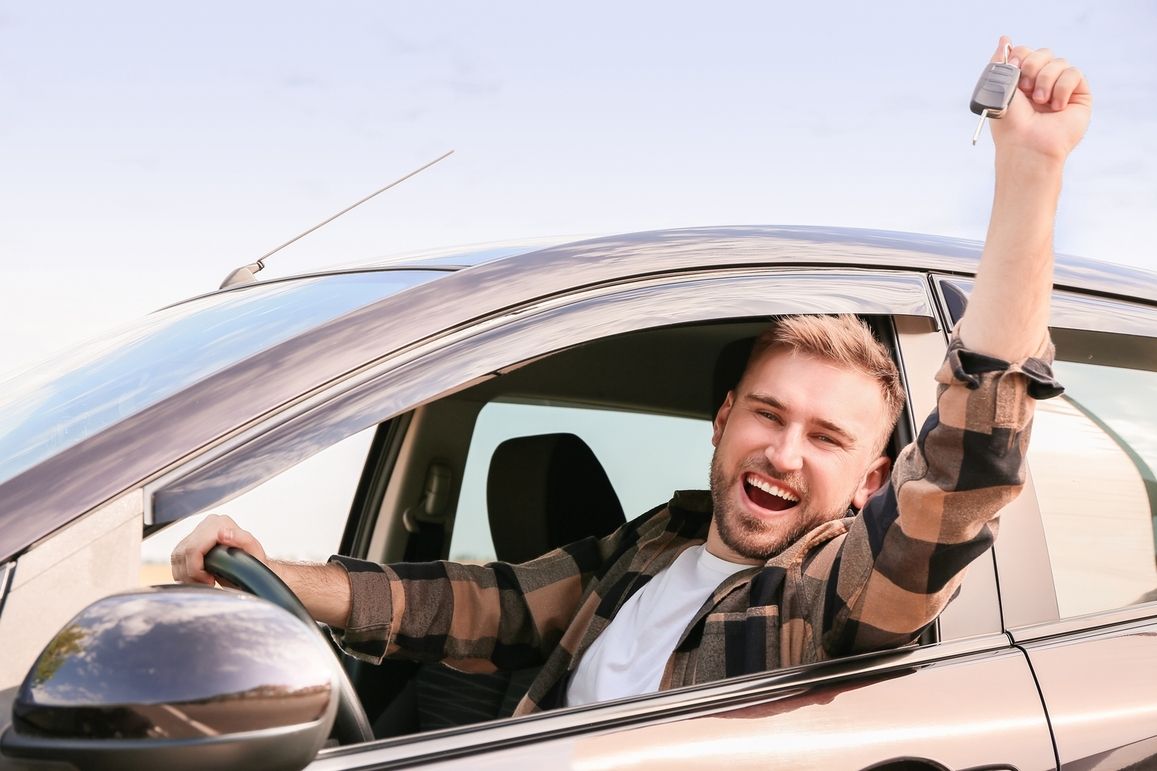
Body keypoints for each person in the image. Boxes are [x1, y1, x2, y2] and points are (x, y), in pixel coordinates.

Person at [173, 36, 1089, 716]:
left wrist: (1031, 170)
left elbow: (961, 476)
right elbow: (485, 603)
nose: (782, 450)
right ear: (722, 422)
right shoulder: (654, 542)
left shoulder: (816, 600)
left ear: (870, 480)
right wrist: (267, 575)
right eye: (766, 414)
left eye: (825, 437)